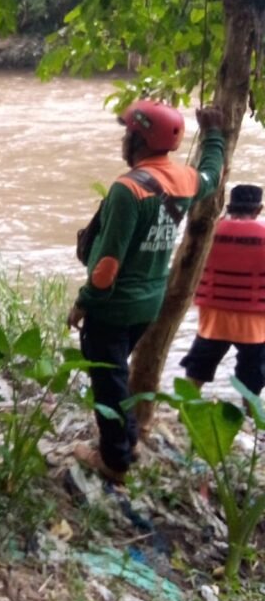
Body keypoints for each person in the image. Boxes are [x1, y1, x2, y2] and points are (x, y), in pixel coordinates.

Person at [67, 101, 226, 485]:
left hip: (114, 306)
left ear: (138, 139)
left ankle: (114, 461)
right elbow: (211, 175)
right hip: (149, 304)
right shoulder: (184, 180)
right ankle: (129, 441)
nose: (124, 138)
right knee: (118, 376)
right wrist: (215, 135)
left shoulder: (128, 189)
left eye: (128, 132)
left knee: (108, 384)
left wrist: (82, 303)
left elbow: (106, 268)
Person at [180, 183, 265, 400]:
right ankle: (252, 418)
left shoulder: (210, 232)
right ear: (259, 209)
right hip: (254, 321)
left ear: (230, 206)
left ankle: (186, 408)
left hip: (213, 317)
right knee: (253, 373)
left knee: (198, 366)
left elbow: (187, 265)